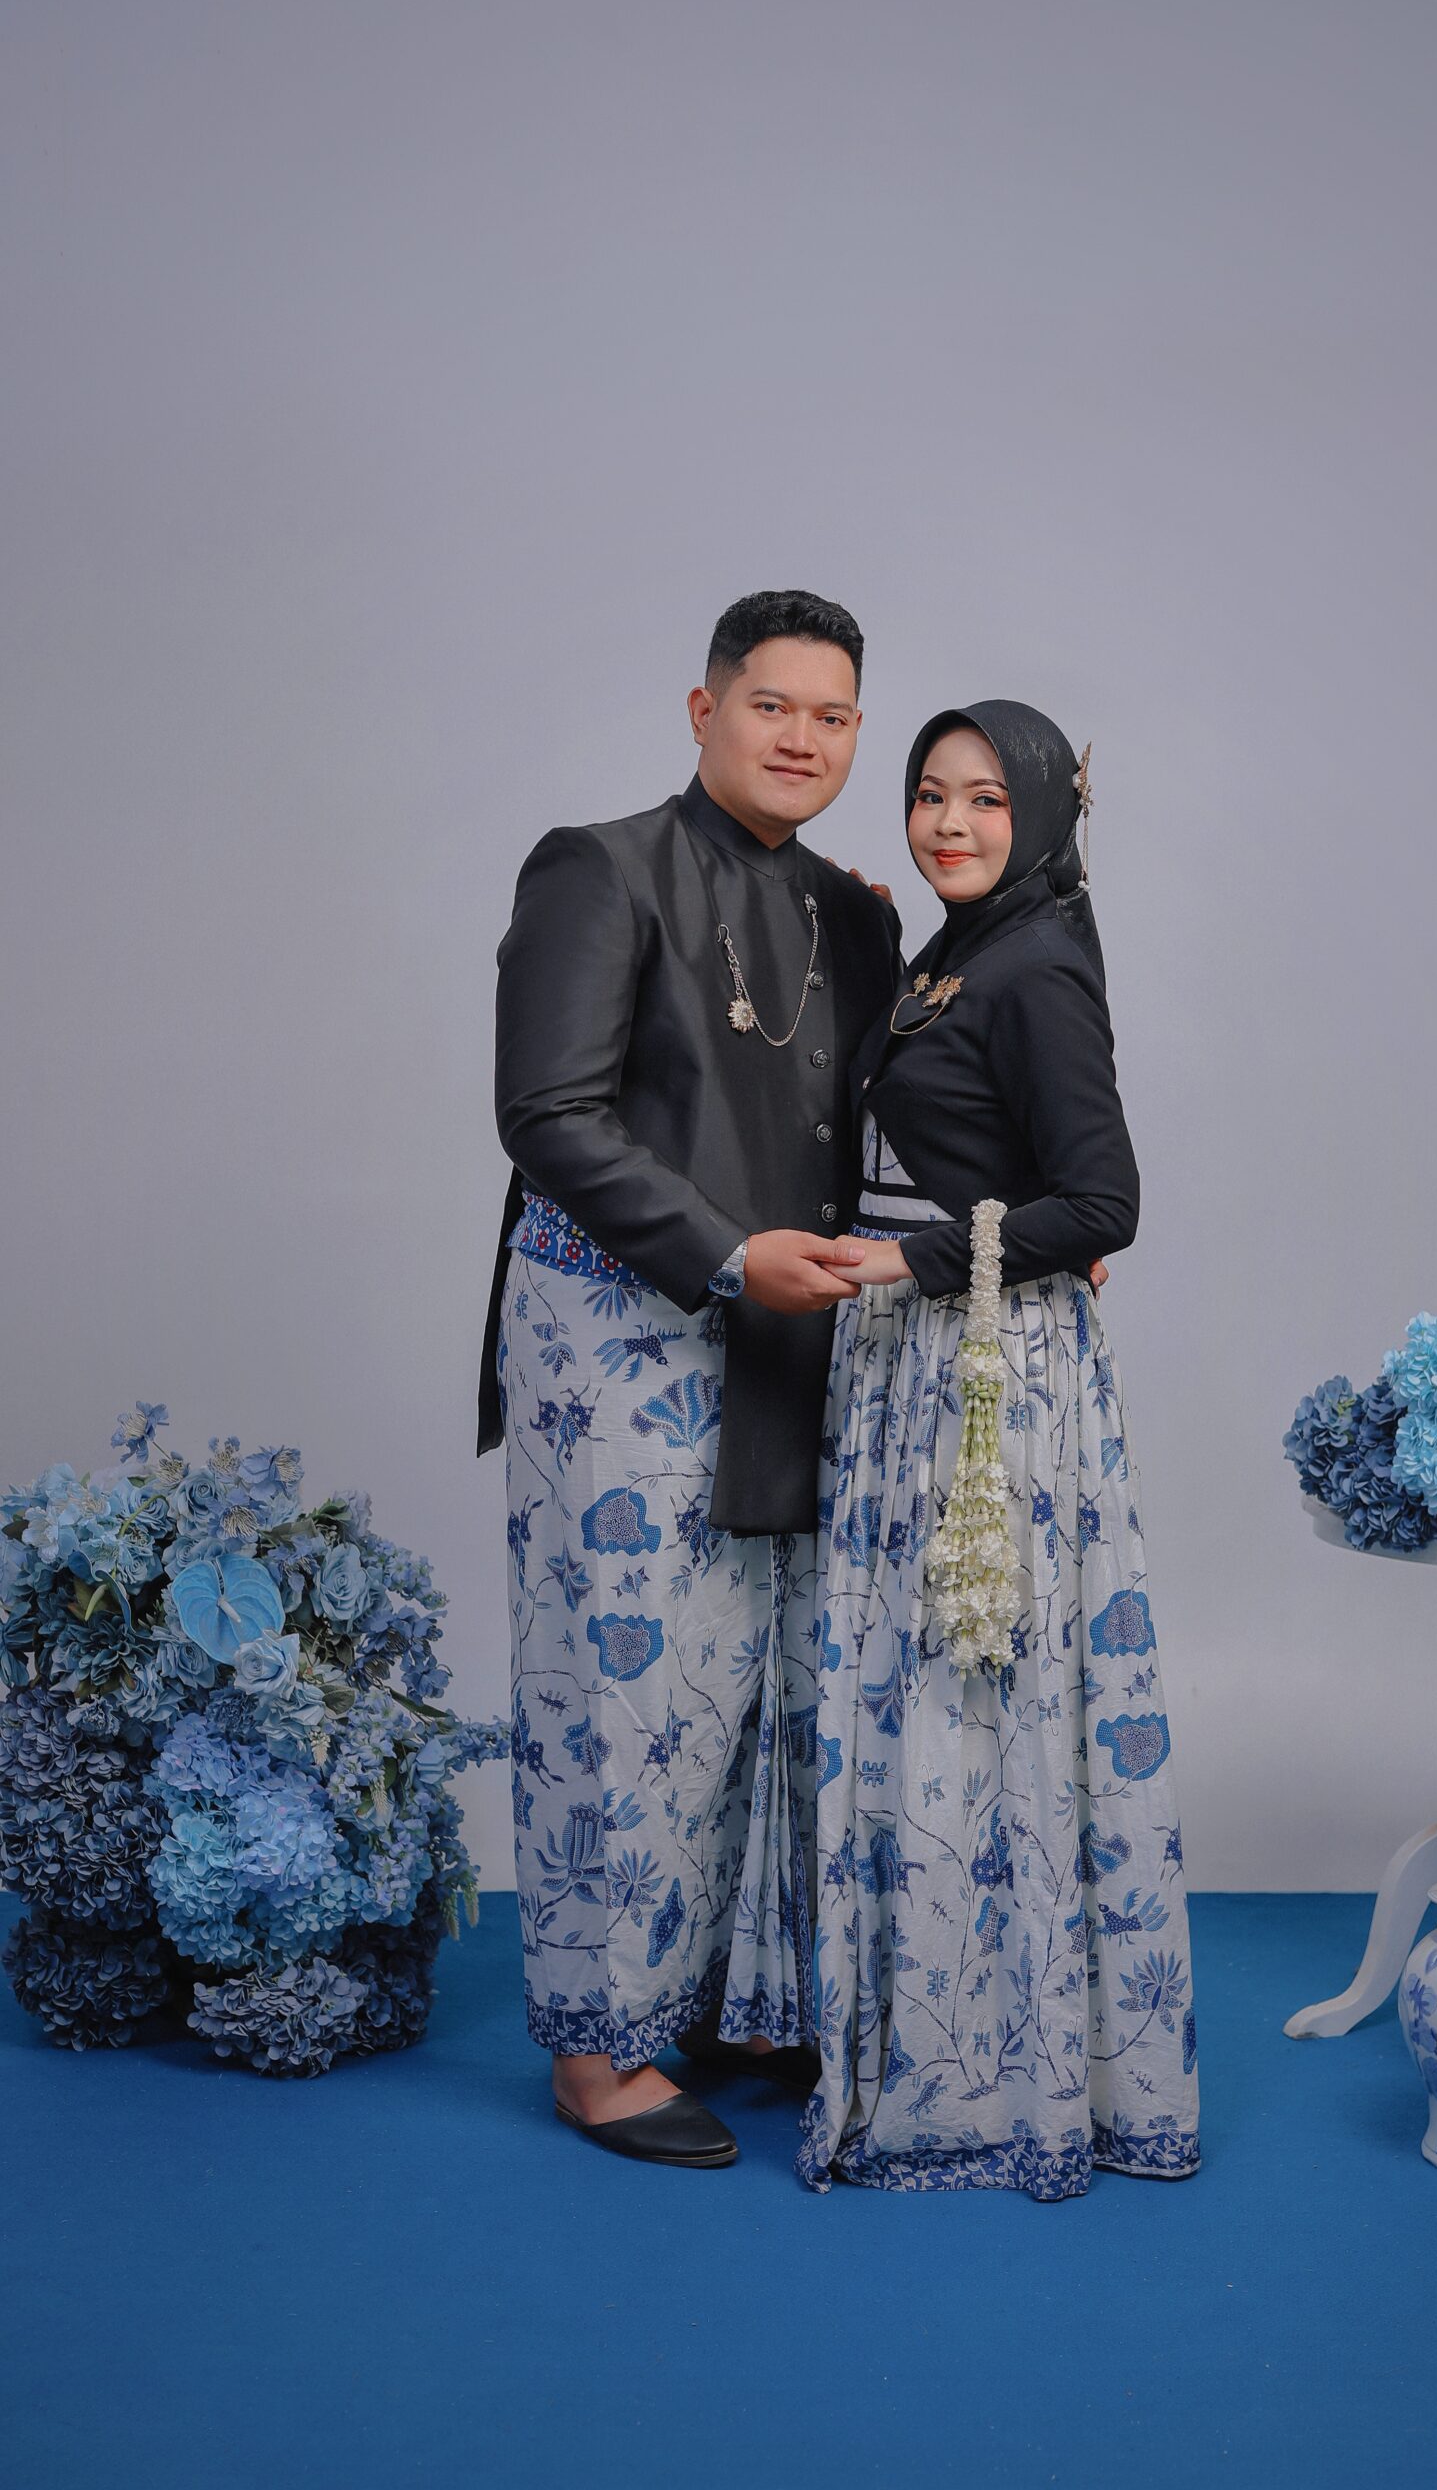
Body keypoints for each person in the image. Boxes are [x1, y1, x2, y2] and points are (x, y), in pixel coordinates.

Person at [480, 590, 901, 2167]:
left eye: (833, 716)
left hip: (796, 1336)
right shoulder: (598, 868)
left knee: (767, 1685)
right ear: (703, 708)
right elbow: (548, 1116)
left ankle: (733, 1998)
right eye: (771, 704)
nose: (801, 737)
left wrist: (1032, 1230)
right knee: (626, 1690)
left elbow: (908, 1116)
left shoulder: (857, 915)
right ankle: (600, 2057)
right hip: (622, 1333)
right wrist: (726, 1256)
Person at [801, 700, 1200, 2198]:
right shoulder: (957, 950)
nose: (950, 823)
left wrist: (912, 1262)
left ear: (1041, 812)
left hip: (983, 1370)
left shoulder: (1035, 968)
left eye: (984, 799)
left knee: (982, 1697)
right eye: (929, 794)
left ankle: (993, 2079)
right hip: (914, 1354)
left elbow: (1103, 1205)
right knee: (934, 1703)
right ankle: (935, 2038)